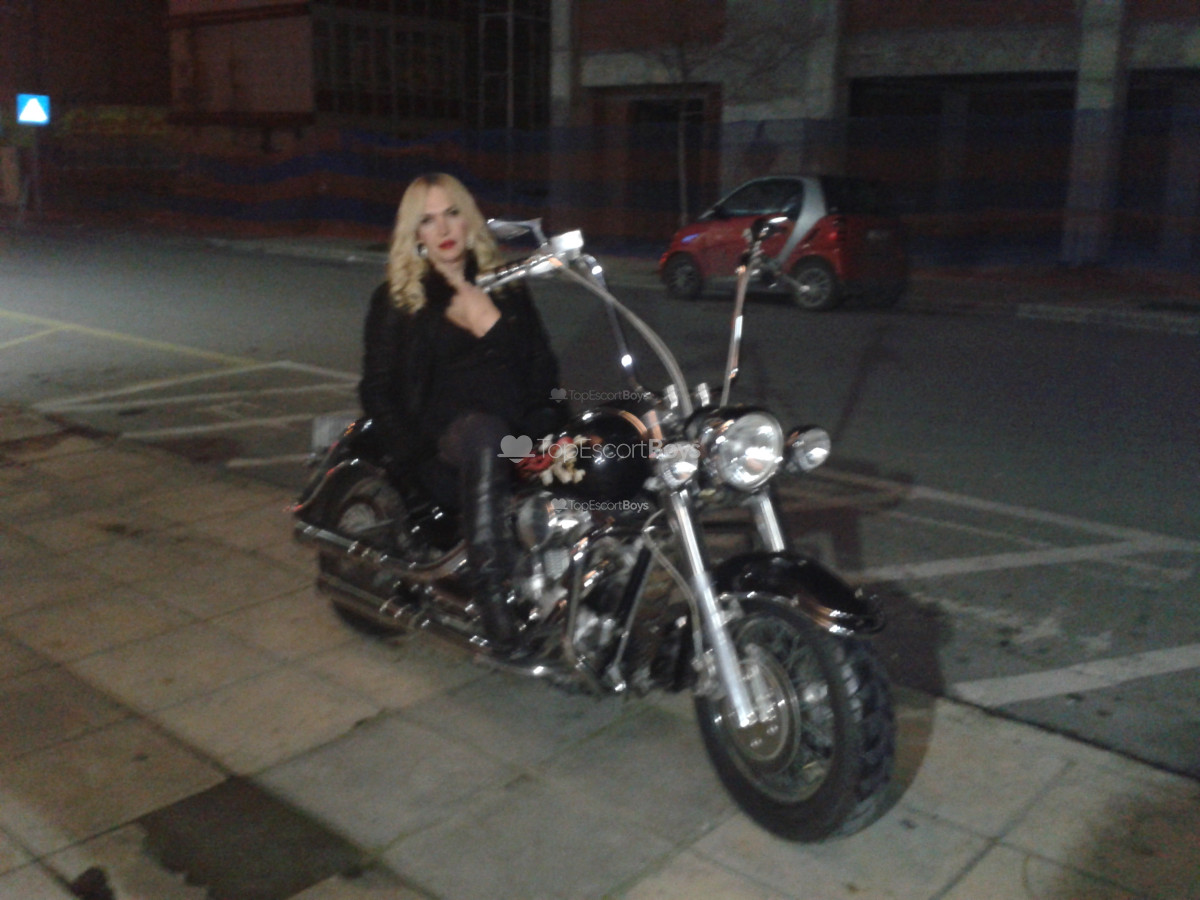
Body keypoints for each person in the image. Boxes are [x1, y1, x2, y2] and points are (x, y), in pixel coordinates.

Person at [358, 172, 565, 652]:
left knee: (611, 446)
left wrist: (548, 424)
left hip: (516, 435)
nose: (444, 228)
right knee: (486, 433)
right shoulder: (398, 298)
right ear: (415, 233)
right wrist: (412, 457)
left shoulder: (507, 287)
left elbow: (543, 368)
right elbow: (377, 390)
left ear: (469, 219)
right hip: (447, 444)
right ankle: (492, 599)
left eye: (452, 213)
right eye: (428, 220)